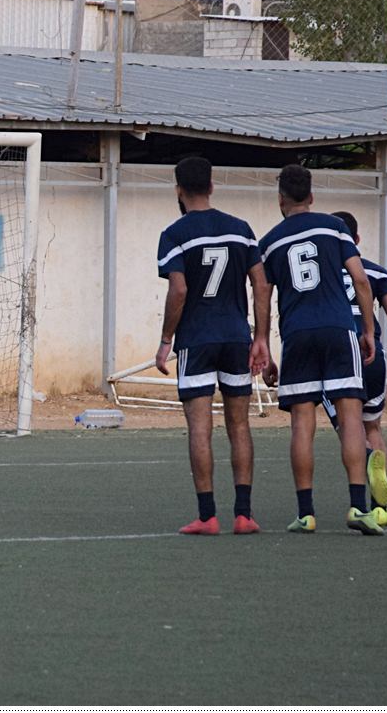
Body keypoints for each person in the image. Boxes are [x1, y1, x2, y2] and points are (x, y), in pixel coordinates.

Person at [257, 164, 382, 536]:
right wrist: (368, 330)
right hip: (339, 329)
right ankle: (358, 507)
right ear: (311, 196)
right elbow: (361, 279)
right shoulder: (335, 227)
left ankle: (306, 513)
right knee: (351, 417)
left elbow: (262, 294)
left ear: (280, 199)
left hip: (297, 334)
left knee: (301, 422)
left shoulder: (270, 242)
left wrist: (263, 343)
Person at [154, 157, 272, 536]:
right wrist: (261, 337)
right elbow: (261, 284)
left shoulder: (174, 234)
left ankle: (207, 517)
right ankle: (244, 514)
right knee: (239, 425)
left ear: (178, 190)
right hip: (237, 337)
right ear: (212, 186)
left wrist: (166, 340)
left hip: (197, 340)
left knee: (200, 428)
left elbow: (179, 289)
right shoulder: (241, 230)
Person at [319, 211, 387, 528]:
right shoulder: (377, 272)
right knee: (372, 429)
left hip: (339, 355)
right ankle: (380, 508)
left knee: (350, 430)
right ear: (356, 240)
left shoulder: (323, 274)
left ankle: (367, 467)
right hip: (374, 355)